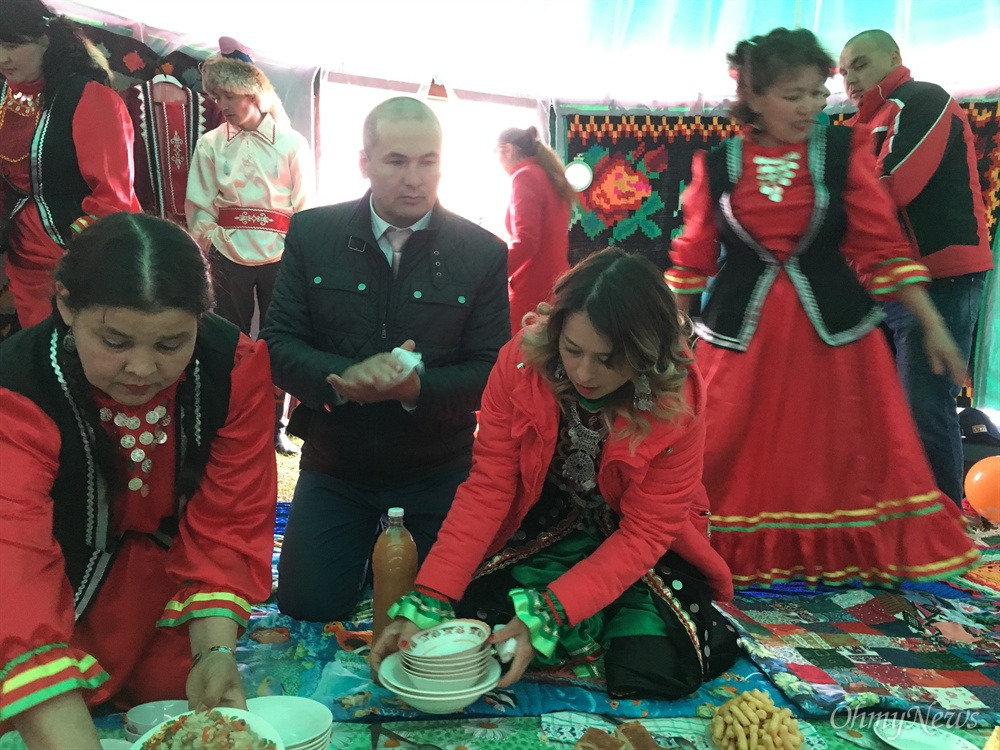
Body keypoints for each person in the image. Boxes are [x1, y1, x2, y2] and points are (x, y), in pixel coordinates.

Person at [665, 28, 978, 589]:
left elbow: (880, 245)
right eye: (794, 96)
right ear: (754, 96)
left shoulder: (841, 151)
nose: (811, 106)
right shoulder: (718, 164)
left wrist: (932, 324)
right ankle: (710, 551)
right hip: (740, 339)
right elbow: (692, 259)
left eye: (817, 92)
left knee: (845, 457)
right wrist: (664, 341)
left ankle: (840, 560)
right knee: (724, 453)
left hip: (835, 337)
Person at [369, 248, 739, 698]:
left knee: (652, 669)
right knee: (477, 624)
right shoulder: (521, 363)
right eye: (572, 350)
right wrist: (432, 595)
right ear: (556, 330)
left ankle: (598, 616)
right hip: (551, 519)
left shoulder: (675, 398)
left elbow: (647, 531)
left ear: (645, 353)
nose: (585, 372)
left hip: (637, 541)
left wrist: (552, 612)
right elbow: (489, 487)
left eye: (609, 359)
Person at [0, 213, 277, 747]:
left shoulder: (230, 367)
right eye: (115, 341)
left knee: (180, 696)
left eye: (171, 344)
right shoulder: (19, 389)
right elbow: (14, 560)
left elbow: (231, 520)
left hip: (164, 584)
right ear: (65, 305)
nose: (143, 370)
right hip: (46, 589)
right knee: (32, 700)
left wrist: (215, 651)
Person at [261, 96, 510, 622]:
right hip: (338, 464)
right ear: (365, 162)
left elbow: (492, 371)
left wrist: (418, 389)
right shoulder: (312, 234)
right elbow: (278, 345)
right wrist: (341, 378)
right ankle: (362, 555)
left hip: (438, 467)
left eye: (428, 161)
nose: (414, 179)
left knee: (449, 610)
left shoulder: (482, 252)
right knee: (308, 604)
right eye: (396, 161)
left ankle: (382, 561)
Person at [838, 29, 993, 507]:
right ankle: (899, 521)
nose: (849, 80)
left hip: (939, 276)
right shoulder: (855, 129)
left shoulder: (922, 99)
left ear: (894, 57)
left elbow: (891, 186)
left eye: (860, 64)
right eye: (842, 73)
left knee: (923, 407)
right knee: (878, 410)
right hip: (881, 283)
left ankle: (943, 528)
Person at [186, 37, 314, 456]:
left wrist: (298, 256)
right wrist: (210, 244)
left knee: (280, 339)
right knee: (229, 339)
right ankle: (230, 415)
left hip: (281, 257)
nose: (221, 104)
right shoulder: (210, 144)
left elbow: (306, 208)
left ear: (253, 93)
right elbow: (200, 205)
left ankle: (276, 424)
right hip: (228, 254)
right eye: (216, 96)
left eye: (228, 95)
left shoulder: (292, 144)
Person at [0, 0, 141, 330]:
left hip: (76, 259)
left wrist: (75, 249)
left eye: (12, 46)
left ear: (45, 39)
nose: (2, 58)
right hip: (20, 255)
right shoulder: (5, 96)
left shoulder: (88, 97)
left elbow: (113, 198)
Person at [497, 125, 575, 335]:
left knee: (519, 350)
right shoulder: (550, 176)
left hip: (533, 288)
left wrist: (493, 274)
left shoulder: (524, 176)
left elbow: (526, 241)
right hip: (556, 282)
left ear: (508, 150)